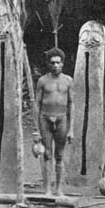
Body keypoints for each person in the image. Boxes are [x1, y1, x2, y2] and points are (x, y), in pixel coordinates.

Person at [35, 47, 74, 196]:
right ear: (48, 64)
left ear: (62, 64)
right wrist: (36, 129)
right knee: (47, 154)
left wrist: (71, 129)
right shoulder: (43, 81)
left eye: (58, 62)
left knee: (60, 154)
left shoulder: (68, 81)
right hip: (45, 118)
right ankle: (47, 190)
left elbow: (72, 103)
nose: (55, 65)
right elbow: (37, 104)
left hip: (61, 119)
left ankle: (59, 189)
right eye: (52, 63)